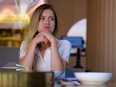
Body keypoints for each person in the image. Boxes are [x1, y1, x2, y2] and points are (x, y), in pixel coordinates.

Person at [19, 4, 72, 78]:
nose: (47, 22)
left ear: (55, 24)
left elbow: (57, 74)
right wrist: (33, 43)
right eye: (42, 18)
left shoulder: (65, 44)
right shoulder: (25, 44)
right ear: (35, 22)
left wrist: (53, 42)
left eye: (51, 19)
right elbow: (22, 71)